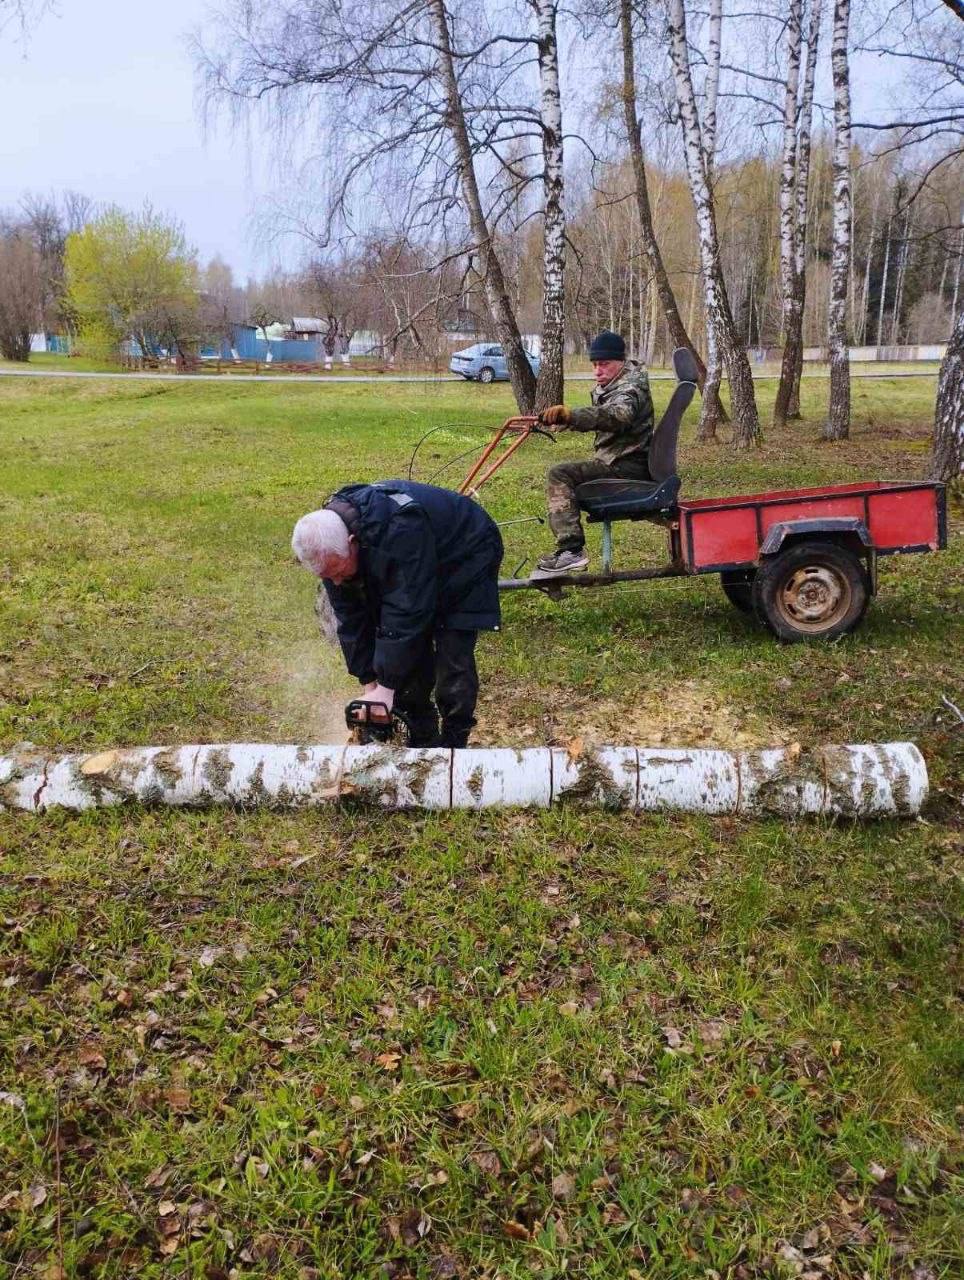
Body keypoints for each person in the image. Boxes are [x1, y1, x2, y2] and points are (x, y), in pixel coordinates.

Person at [292, 480, 504, 748]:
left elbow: (407, 611)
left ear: (352, 542)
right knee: (404, 658)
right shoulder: (331, 551)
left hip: (465, 549)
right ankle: (421, 738)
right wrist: (370, 684)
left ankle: (454, 742)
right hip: (416, 556)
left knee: (452, 651)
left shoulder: (399, 530)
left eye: (338, 572)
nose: (335, 582)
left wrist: (387, 685)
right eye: (327, 576)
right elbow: (352, 621)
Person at [533, 330, 655, 576]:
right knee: (567, 473)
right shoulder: (615, 385)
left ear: (620, 362)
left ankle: (571, 551)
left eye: (604, 364)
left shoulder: (629, 389)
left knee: (560, 474)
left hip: (626, 467)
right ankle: (569, 551)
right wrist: (568, 421)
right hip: (618, 460)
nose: (597, 370)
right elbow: (604, 420)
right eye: (595, 364)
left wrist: (573, 416)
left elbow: (617, 416)